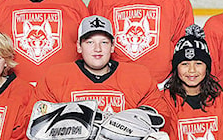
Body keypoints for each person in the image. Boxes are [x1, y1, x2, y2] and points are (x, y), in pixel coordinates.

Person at [35, 15, 167, 118]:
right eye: (90, 42)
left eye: (104, 42)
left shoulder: (138, 76)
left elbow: (160, 117)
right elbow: (39, 118)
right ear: (79, 47)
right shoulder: (55, 77)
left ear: (112, 47)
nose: (97, 49)